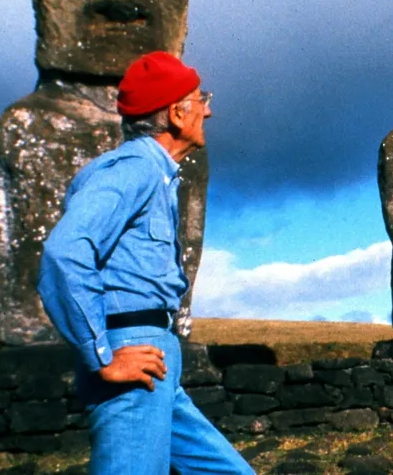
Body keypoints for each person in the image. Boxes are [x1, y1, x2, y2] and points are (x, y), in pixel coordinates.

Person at [38, 51, 252, 475]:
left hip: (154, 354)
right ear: (176, 112)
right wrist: (103, 358)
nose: (209, 109)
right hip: (130, 351)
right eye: (201, 98)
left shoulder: (157, 174)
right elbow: (65, 251)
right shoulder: (133, 169)